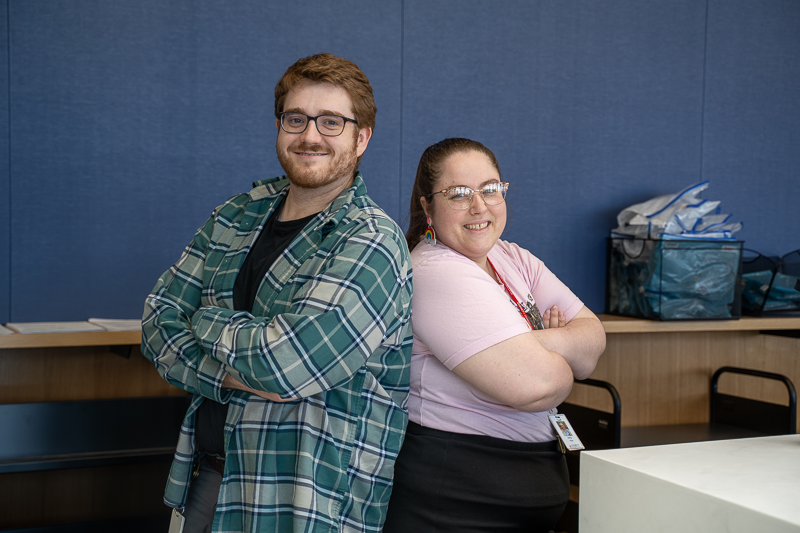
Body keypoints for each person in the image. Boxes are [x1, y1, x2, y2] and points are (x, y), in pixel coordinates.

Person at [141, 53, 413, 533]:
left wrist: (205, 320)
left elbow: (288, 365)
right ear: (279, 126)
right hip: (210, 477)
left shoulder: (371, 240)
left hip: (307, 499)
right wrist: (230, 375)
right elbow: (157, 323)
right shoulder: (236, 214)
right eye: (296, 119)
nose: (310, 136)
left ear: (362, 137)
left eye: (332, 122)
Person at [382, 138, 606, 533]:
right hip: (456, 497)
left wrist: (524, 343)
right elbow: (539, 384)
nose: (479, 205)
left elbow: (593, 343)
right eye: (459, 194)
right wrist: (553, 349)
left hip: (519, 485)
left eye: (490, 189)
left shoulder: (513, 257)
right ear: (426, 206)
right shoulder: (435, 271)